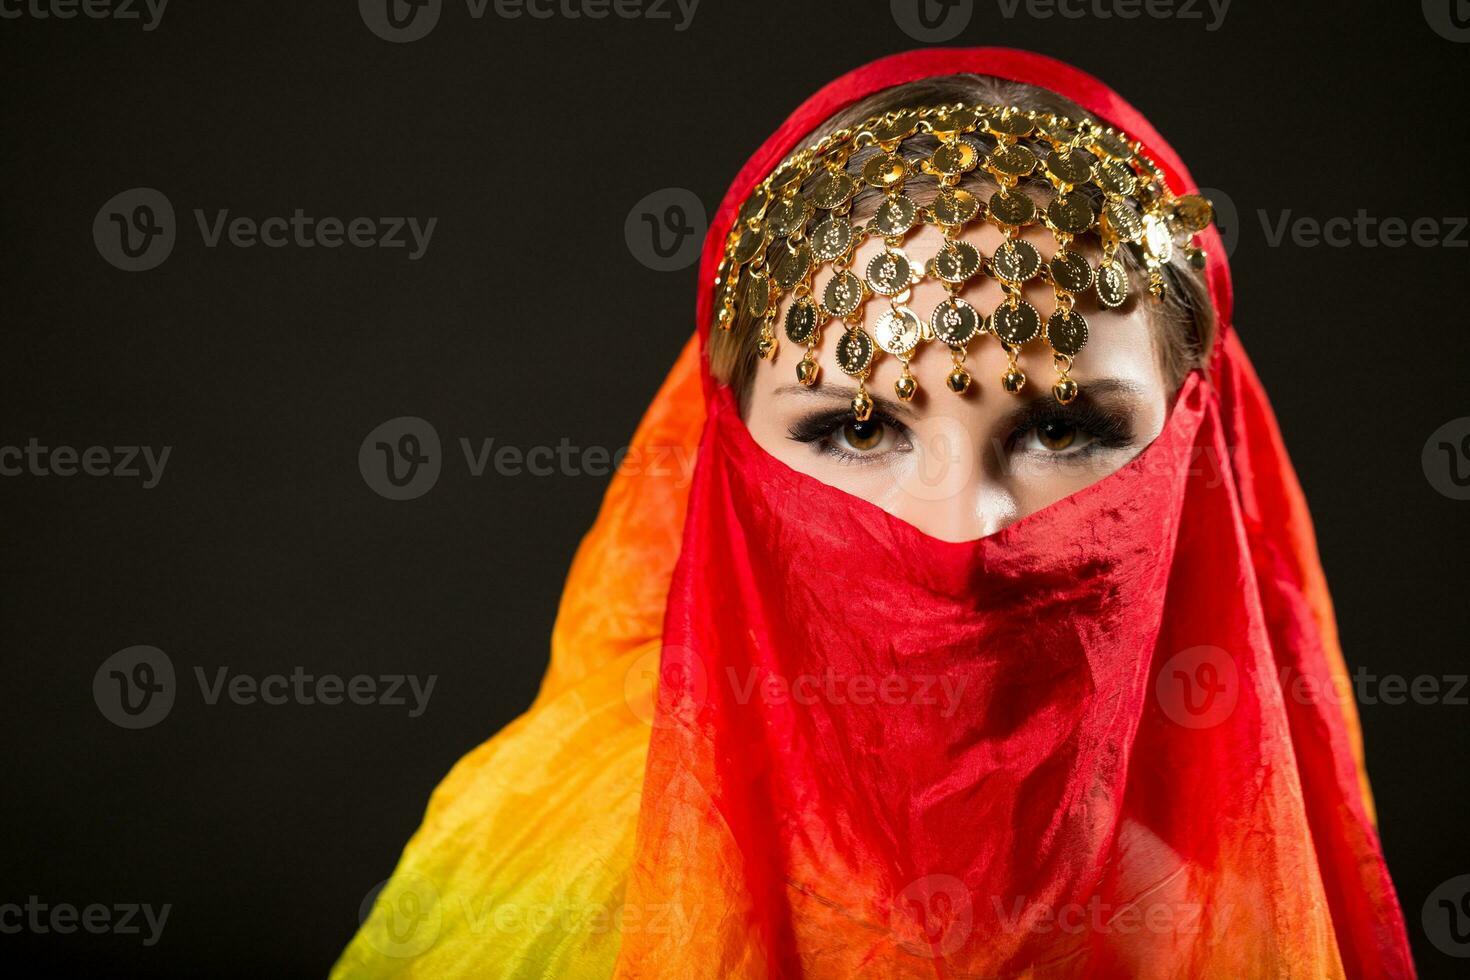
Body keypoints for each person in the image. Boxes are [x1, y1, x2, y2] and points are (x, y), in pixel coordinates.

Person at [334, 48, 1415, 978]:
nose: (961, 530)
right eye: (858, 429)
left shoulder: (1236, 924)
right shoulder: (542, 884)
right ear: (727, 456)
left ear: (1190, 446)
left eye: (1062, 427)